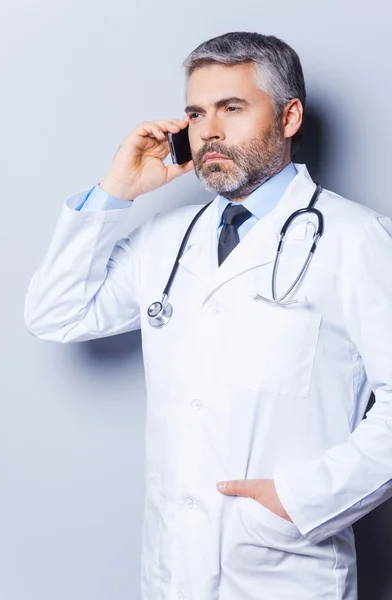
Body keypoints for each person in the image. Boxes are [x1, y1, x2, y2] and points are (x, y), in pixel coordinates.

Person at [24, 31, 392, 600]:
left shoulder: (356, 240)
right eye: (196, 113)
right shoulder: (167, 239)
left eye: (232, 108)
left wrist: (302, 499)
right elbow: (56, 314)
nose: (209, 130)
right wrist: (115, 192)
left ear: (289, 117)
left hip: (285, 568)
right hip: (173, 571)